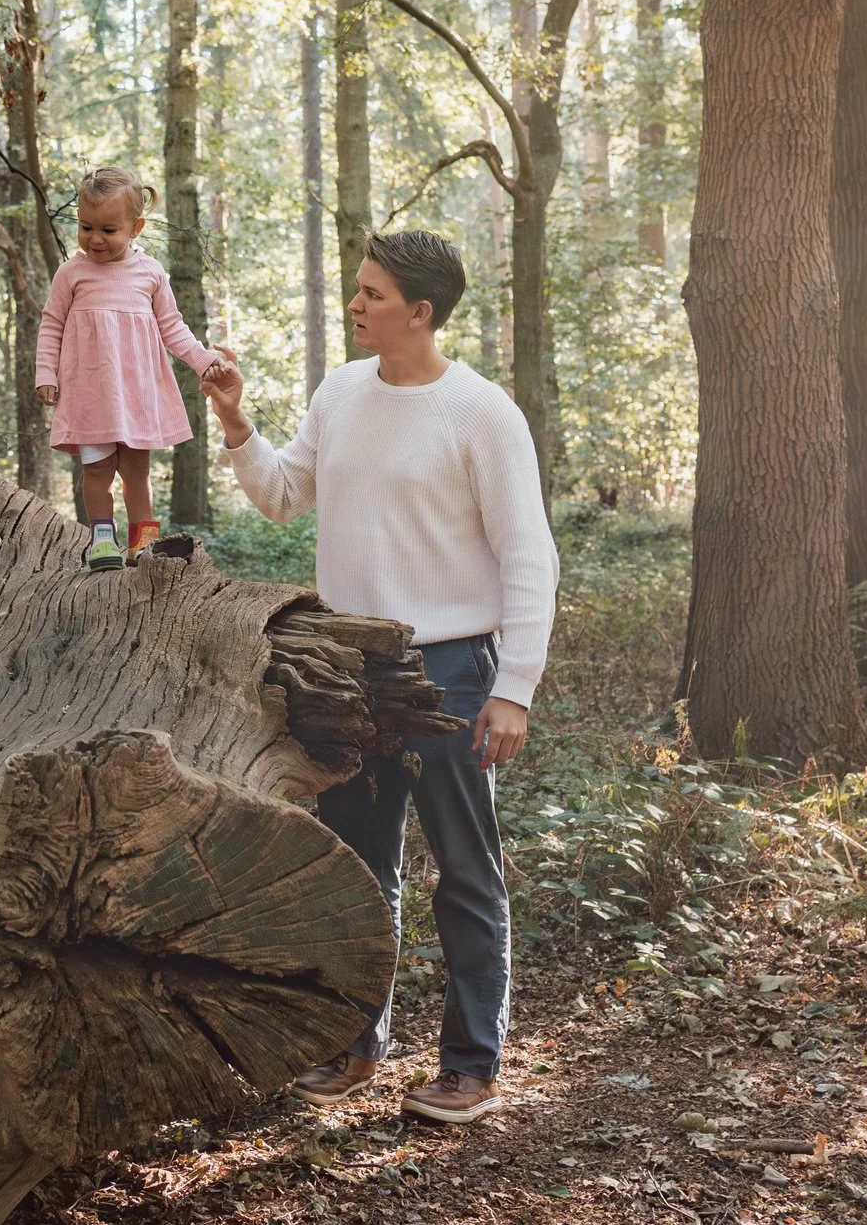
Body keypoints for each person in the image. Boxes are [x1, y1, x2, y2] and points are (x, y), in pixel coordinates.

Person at [205, 230, 560, 1126]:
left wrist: (513, 684)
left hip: (449, 673)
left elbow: (529, 557)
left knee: (464, 869)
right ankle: (357, 1039)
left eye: (370, 293)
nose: (355, 304)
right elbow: (285, 494)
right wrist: (239, 422)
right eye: (357, 289)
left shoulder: (482, 413)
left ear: (421, 311)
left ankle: (472, 1061)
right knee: (360, 867)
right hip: (348, 666)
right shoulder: (341, 392)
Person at [35, 165, 240, 572]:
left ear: (136, 227)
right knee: (96, 471)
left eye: (108, 230)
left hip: (136, 392)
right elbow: (51, 324)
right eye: (86, 226)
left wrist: (205, 362)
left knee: (136, 474)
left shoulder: (150, 273)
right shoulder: (72, 273)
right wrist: (46, 374)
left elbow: (173, 328)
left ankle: (144, 544)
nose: (95, 239)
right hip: (90, 394)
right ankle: (102, 541)